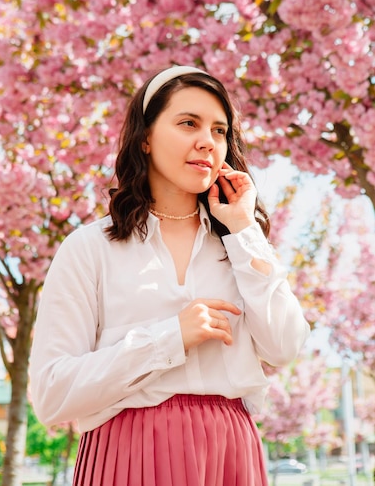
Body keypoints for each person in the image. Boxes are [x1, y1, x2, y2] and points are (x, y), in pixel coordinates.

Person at [29, 65, 310, 486]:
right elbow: (51, 395)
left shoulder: (241, 245)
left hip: (229, 454)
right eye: (187, 123)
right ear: (145, 138)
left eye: (219, 130)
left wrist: (244, 230)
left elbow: (285, 346)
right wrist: (168, 339)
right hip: (126, 454)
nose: (207, 142)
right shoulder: (90, 249)